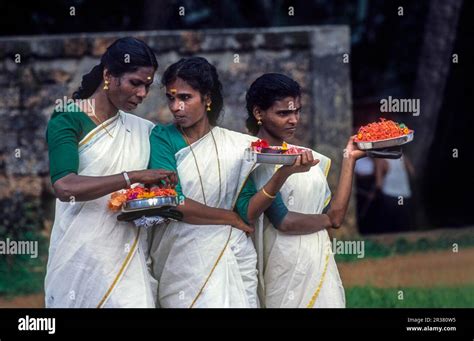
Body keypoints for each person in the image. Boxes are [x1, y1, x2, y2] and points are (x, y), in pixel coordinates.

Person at [147, 58, 317, 308]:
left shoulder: (237, 147)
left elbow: (247, 212)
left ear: (207, 98)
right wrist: (229, 218)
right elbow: (173, 201)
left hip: (233, 255)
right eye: (171, 98)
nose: (176, 106)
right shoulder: (162, 138)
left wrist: (283, 174)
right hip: (183, 260)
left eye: (185, 97)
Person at [44, 37, 177, 308]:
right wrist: (133, 176)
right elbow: (65, 187)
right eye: (135, 83)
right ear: (108, 75)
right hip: (80, 257)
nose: (142, 94)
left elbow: (149, 190)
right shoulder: (68, 118)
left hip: (128, 256)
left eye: (148, 86)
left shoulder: (144, 130)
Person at [239, 73, 366, 308]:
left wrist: (350, 158)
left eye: (297, 111)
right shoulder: (251, 158)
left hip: (317, 262)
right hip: (283, 268)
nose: (294, 120)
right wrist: (328, 220)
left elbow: (336, 215)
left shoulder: (305, 155)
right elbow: (284, 221)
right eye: (283, 113)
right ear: (259, 113)